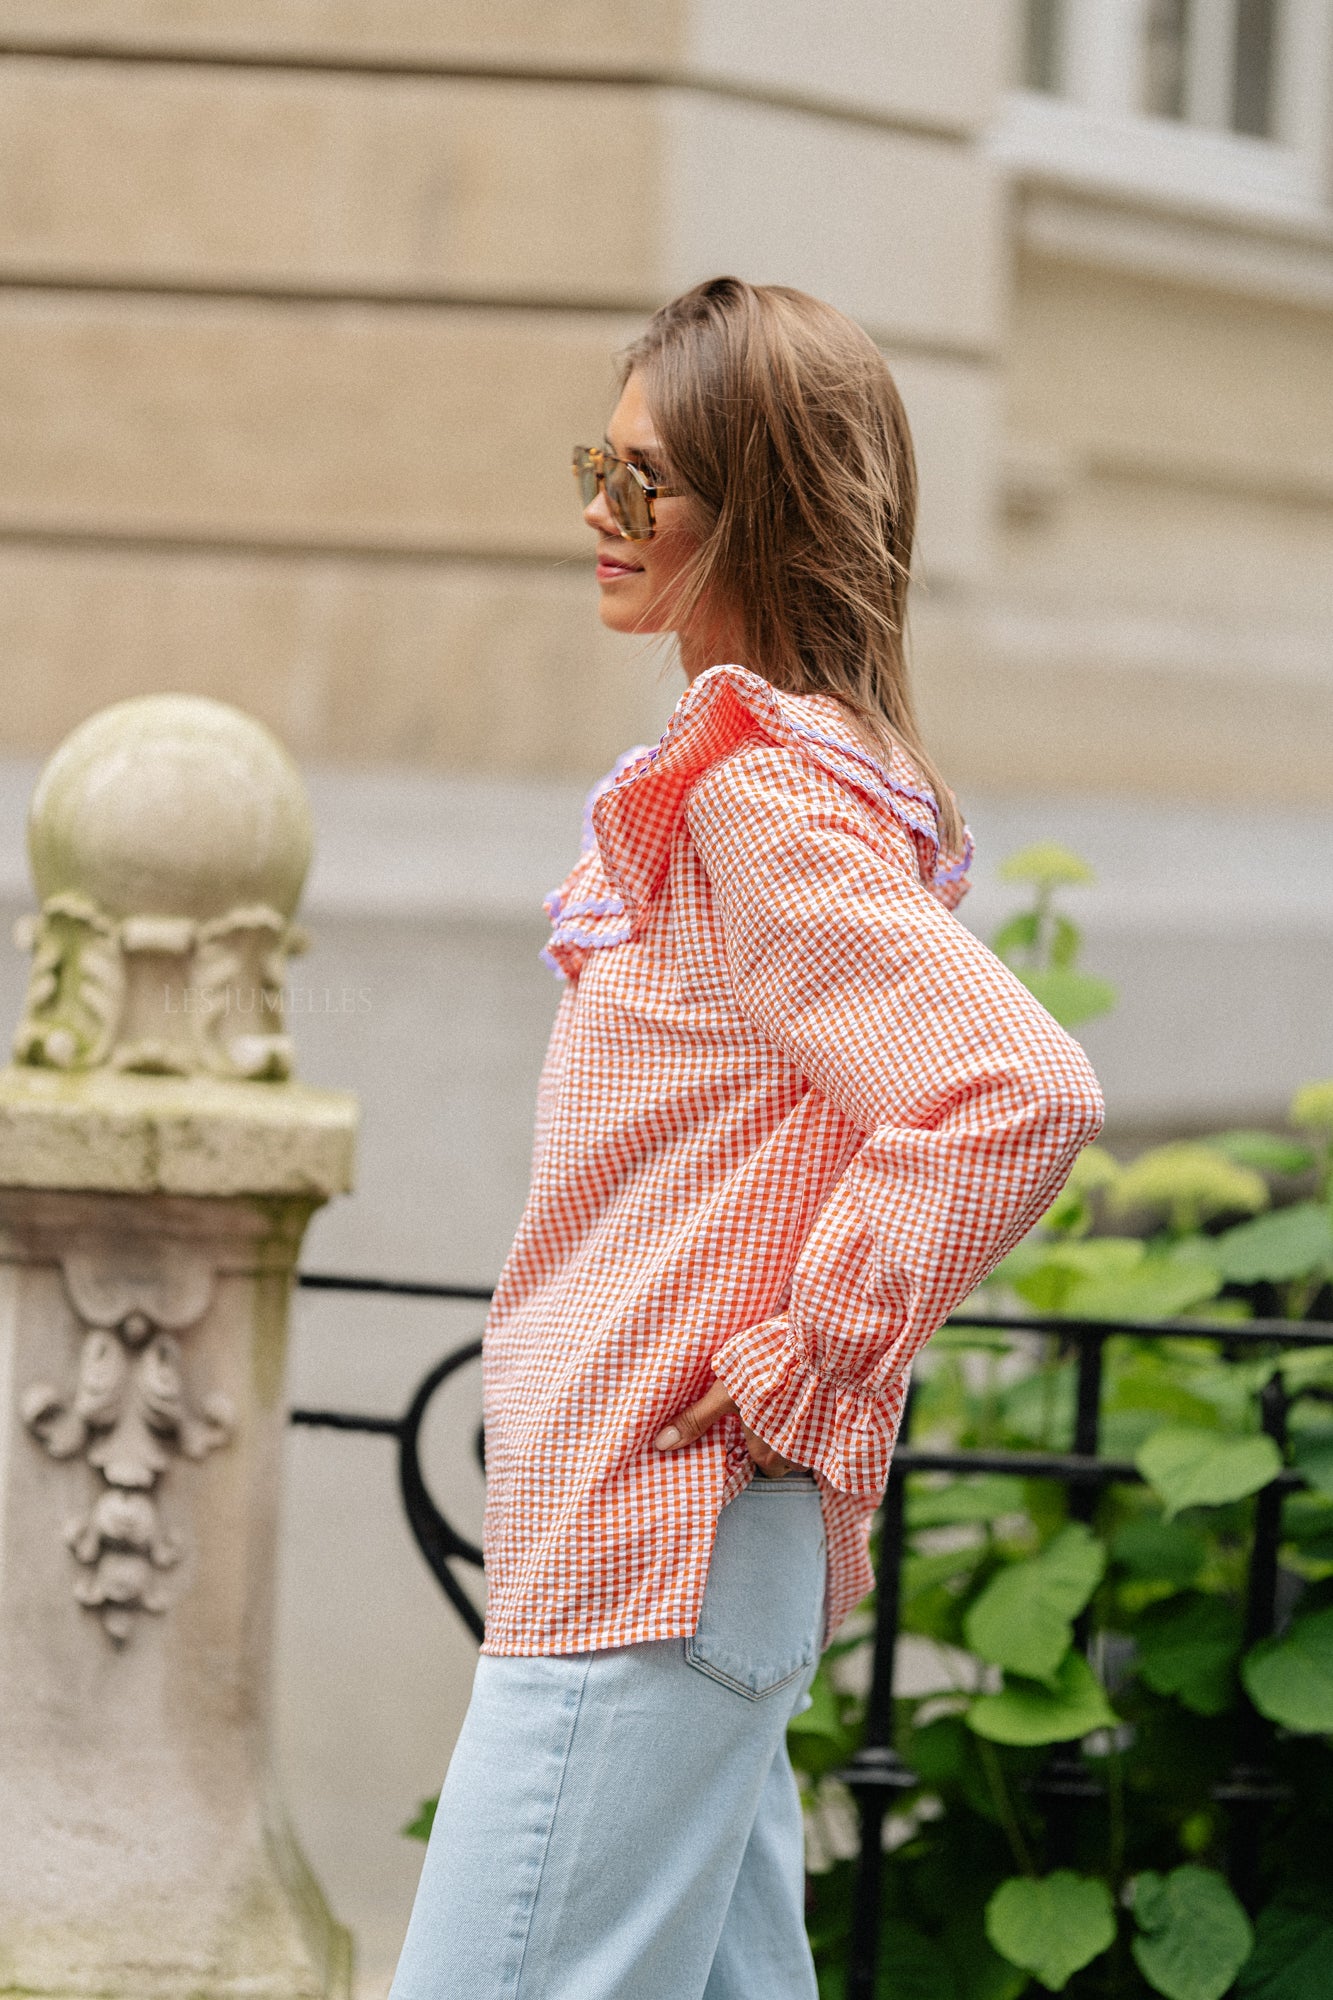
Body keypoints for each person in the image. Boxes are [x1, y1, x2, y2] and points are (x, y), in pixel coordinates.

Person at [389, 276, 1104, 2000]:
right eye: (599, 462)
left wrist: (817, 1348)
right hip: (685, 1547)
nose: (599, 514)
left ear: (760, 509)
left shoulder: (755, 795)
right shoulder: (773, 780)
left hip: (661, 1528)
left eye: (647, 481)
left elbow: (1016, 1090)